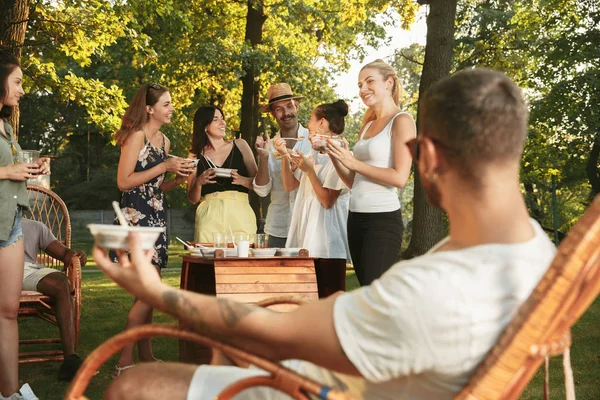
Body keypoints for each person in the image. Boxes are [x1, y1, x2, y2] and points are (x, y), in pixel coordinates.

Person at [94, 68, 556, 400]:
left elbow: (268, 326)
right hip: (374, 371)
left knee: (132, 386)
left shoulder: (424, 288)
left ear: (425, 157)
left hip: (325, 388)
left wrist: (155, 292)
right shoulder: (537, 255)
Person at [112, 83, 194, 377]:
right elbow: (124, 182)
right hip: (136, 219)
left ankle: (145, 355)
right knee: (149, 291)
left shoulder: (164, 142)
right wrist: (164, 167)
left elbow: (156, 187)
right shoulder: (136, 136)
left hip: (157, 218)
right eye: (167, 104)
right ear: (150, 108)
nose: (172, 108)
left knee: (146, 294)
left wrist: (179, 176)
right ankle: (123, 361)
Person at [328, 59, 415, 286]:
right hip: (355, 218)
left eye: (369, 82)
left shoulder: (402, 121)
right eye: (359, 85)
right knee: (368, 292)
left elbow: (399, 178)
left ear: (389, 83)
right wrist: (335, 155)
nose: (363, 89)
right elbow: (353, 181)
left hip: (382, 220)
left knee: (374, 295)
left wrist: (354, 163)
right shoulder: (367, 125)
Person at [0, 49, 48, 400]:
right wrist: (7, 171)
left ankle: (10, 393)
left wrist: (35, 168)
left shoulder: (4, 125)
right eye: (17, 82)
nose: (21, 89)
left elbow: (13, 172)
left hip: (10, 222)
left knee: (8, 311)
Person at [275, 100, 351, 297]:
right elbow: (290, 185)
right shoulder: (313, 153)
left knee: (329, 300)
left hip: (328, 244)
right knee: (307, 301)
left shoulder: (341, 154)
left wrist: (309, 171)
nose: (307, 125)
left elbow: (327, 201)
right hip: (307, 239)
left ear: (322, 123)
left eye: (310, 119)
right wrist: (284, 155)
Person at [21, 219, 86, 381]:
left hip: (28, 271)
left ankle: (70, 360)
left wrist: (75, 256)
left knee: (62, 283)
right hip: (4, 271)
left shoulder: (35, 226)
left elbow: (64, 253)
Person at [253, 83, 313, 248]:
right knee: (277, 274)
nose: (286, 113)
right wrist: (263, 158)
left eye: (289, 106)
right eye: (279, 109)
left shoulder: (313, 140)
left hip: (309, 224)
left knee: (311, 274)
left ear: (297, 106)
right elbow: (262, 190)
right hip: (278, 228)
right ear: (272, 114)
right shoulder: (269, 145)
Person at [187, 106, 258, 242]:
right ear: (205, 126)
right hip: (209, 216)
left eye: (222, 118)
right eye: (216, 119)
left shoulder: (240, 145)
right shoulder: (194, 155)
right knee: (208, 259)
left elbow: (259, 183)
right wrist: (199, 182)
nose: (223, 122)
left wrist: (242, 180)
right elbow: (192, 199)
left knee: (243, 258)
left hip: (240, 212)